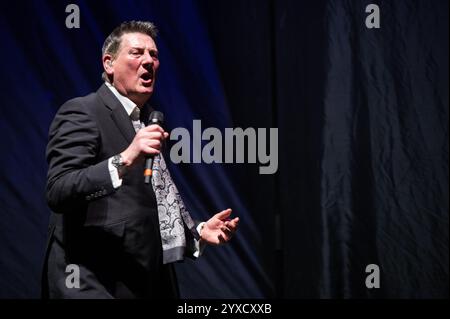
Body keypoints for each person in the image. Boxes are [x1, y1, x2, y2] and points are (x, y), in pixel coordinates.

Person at [42, 20, 239, 298]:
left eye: (154, 55)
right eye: (137, 53)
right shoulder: (83, 111)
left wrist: (199, 233)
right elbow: (59, 189)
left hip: (145, 282)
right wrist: (125, 158)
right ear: (108, 64)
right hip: (93, 282)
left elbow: (149, 206)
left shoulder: (147, 122)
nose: (148, 61)